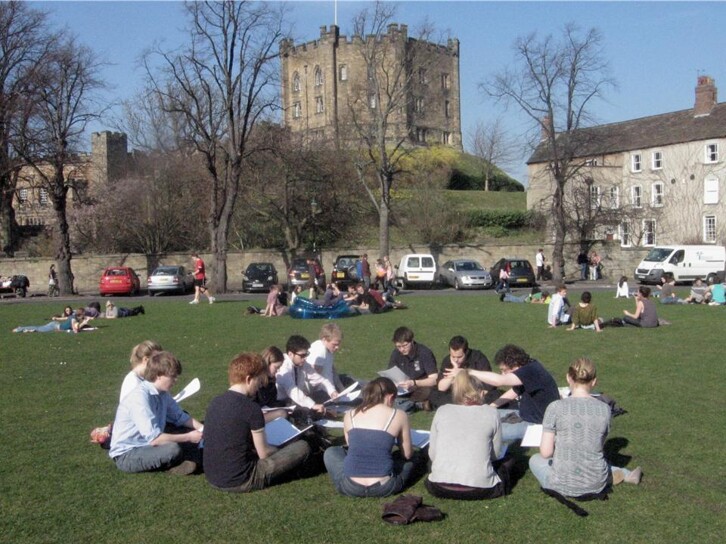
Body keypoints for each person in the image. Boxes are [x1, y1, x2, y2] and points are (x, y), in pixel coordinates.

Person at [529, 358, 642, 500]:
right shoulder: (605, 409)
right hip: (596, 482)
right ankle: (622, 474)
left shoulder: (555, 407)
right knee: (595, 458)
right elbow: (596, 445)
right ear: (594, 381)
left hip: (561, 484)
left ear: (568, 378)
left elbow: (546, 453)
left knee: (535, 459)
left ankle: (619, 474)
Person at [203, 352, 311, 492]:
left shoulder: (215, 402)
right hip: (241, 479)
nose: (259, 386)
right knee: (302, 447)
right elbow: (264, 453)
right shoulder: (251, 408)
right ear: (248, 379)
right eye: (258, 381)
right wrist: (282, 449)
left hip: (213, 477)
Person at [108, 351, 203, 475]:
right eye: (173, 376)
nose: (176, 380)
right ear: (159, 375)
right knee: (173, 449)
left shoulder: (163, 393)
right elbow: (155, 439)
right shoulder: (140, 398)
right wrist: (189, 437)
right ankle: (172, 465)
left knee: (183, 433)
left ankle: (181, 460)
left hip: (146, 445)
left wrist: (202, 428)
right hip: (128, 454)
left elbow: (180, 417)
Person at [323, 377, 417, 498]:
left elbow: (352, 446)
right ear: (390, 397)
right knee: (411, 460)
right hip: (385, 487)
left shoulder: (350, 414)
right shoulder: (399, 415)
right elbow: (407, 454)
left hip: (351, 487)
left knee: (331, 452)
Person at [425, 370, 512, 500]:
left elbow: (433, 454)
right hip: (481, 489)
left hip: (438, 486)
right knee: (510, 460)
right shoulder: (491, 413)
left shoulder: (442, 410)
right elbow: (495, 455)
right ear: (482, 393)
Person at [467, 344, 560, 442]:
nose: (503, 373)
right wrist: (492, 406)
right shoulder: (530, 366)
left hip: (537, 425)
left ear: (514, 364)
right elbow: (516, 391)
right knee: (486, 417)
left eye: (504, 370)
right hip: (525, 415)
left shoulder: (530, 371)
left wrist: (469, 372)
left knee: (484, 432)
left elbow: (499, 380)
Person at [429, 335, 499, 410]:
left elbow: (489, 385)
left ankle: (460, 405)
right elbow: (441, 388)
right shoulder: (447, 361)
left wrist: (464, 373)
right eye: (453, 356)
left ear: (466, 352)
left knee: (496, 395)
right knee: (434, 394)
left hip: (475, 393)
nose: (456, 360)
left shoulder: (478, 358)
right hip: (457, 394)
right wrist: (453, 375)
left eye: (459, 357)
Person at [276, 335, 338, 413]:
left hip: (297, 398)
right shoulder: (284, 367)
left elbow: (320, 380)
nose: (305, 358)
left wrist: (332, 391)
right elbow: (293, 391)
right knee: (308, 409)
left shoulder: (303, 364)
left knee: (323, 396)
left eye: (306, 354)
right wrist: (312, 405)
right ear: (290, 354)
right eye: (302, 355)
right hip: (283, 402)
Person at [387, 326, 438, 410]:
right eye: (398, 347)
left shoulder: (424, 353)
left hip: (420, 387)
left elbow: (434, 379)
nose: (402, 349)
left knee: (429, 391)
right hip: (402, 388)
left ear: (412, 341)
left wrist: (414, 383)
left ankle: (403, 404)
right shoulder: (396, 354)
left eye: (405, 345)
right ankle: (415, 405)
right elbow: (390, 374)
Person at [307, 323, 346, 392]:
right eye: (334, 344)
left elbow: (332, 370)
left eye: (338, 344)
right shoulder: (320, 351)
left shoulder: (328, 350)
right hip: (323, 392)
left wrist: (342, 388)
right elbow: (314, 378)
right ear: (324, 340)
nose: (337, 347)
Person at [13, 307, 90, 333]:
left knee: (38, 328)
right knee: (38, 329)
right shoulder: (74, 319)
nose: (84, 316)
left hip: (55, 324)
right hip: (54, 326)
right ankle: (19, 329)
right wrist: (83, 324)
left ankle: (22, 328)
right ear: (80, 315)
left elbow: (76, 327)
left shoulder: (74, 318)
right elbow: (75, 331)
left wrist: (84, 324)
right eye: (83, 315)